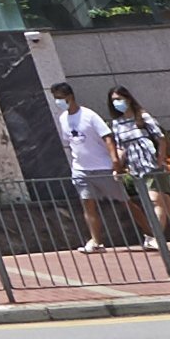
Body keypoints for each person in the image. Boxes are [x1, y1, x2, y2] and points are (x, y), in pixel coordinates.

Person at [106, 87, 170, 248]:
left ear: (128, 99)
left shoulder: (142, 117)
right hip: (136, 168)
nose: (117, 103)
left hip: (151, 165)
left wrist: (160, 160)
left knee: (155, 201)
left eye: (119, 99)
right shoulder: (117, 124)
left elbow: (160, 138)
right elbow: (121, 148)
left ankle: (156, 237)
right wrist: (117, 167)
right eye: (114, 100)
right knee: (167, 205)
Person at [50, 80, 134, 250]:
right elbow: (71, 142)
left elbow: (107, 137)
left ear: (70, 97)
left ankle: (151, 234)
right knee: (88, 205)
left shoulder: (89, 115)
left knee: (125, 203)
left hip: (102, 167)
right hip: (81, 169)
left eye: (61, 97)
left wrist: (115, 161)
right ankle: (96, 241)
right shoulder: (63, 118)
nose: (59, 101)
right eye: (56, 98)